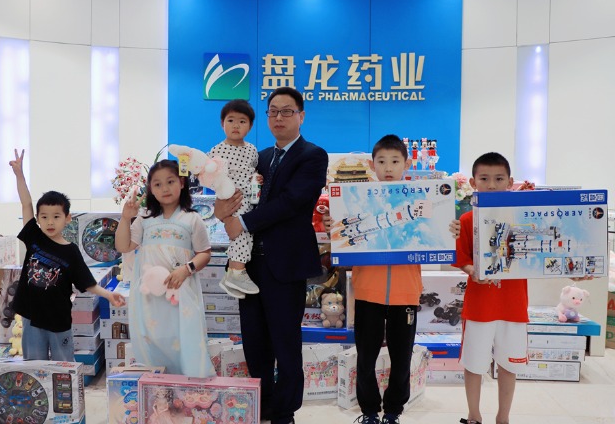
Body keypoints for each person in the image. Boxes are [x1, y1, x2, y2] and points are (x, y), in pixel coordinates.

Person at [214, 86, 328, 424]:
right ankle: (261, 406)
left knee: (285, 342)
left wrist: (241, 222)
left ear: (301, 116)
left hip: (286, 264)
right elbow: (235, 195)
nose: (279, 117)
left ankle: (284, 412)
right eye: (273, 111)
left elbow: (292, 202)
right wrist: (222, 210)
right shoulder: (258, 156)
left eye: (287, 111)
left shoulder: (312, 156)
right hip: (248, 265)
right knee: (254, 341)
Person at [351, 134, 460, 424]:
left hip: (406, 293)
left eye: (395, 161)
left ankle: (393, 411)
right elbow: (345, 238)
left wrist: (449, 230)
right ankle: (369, 411)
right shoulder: (357, 201)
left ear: (407, 164)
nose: (388, 168)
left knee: (402, 358)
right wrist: (333, 226)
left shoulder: (421, 201)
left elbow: (436, 238)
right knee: (365, 357)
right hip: (367, 291)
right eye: (381, 161)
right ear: (371, 165)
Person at [9, 149, 126, 361]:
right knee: (35, 365)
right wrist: (19, 175)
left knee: (63, 367)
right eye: (44, 217)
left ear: (67, 218)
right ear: (37, 218)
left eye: (56, 216)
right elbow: (26, 203)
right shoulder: (34, 237)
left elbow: (87, 282)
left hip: (59, 319)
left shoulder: (71, 251)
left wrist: (108, 295)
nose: (50, 222)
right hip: (32, 316)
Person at [115, 159, 214, 376]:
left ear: (181, 183)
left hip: (181, 295)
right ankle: (156, 389)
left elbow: (205, 253)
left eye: (170, 181)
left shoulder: (192, 219)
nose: (165, 188)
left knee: (184, 339)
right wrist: (125, 218)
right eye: (157, 184)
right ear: (151, 189)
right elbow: (123, 246)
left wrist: (186, 269)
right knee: (152, 341)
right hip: (149, 298)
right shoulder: (145, 219)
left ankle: (188, 387)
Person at [452, 152, 526, 424]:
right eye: (484, 179)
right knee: (474, 363)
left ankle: (503, 417)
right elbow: (461, 258)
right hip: (480, 306)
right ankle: (473, 415)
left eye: (498, 179)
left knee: (509, 364)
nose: (491, 185)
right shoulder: (466, 220)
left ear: (510, 182)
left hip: (514, 305)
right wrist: (472, 270)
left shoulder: (522, 219)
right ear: (473, 182)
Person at [209, 99, 260, 298]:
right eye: (230, 120)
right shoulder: (217, 150)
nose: (236, 125)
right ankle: (237, 272)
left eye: (242, 121)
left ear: (250, 126)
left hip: (249, 197)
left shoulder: (252, 150)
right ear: (222, 123)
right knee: (242, 232)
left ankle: (232, 273)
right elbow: (209, 175)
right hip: (231, 197)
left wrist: (257, 178)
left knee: (246, 233)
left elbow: (253, 171)